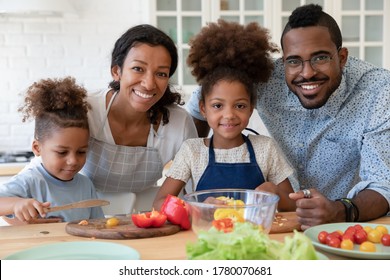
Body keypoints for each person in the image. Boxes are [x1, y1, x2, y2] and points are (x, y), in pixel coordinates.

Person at [186, 4, 390, 229]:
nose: (307, 72)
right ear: (284, 61)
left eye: (320, 58)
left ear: (342, 58)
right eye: (294, 61)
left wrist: (340, 210)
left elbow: (383, 185)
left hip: (344, 224)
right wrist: (195, 161)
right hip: (278, 222)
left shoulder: (378, 91)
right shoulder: (265, 79)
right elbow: (202, 103)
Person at [153, 20, 296, 212]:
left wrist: (274, 192)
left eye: (240, 105)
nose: (229, 115)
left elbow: (292, 205)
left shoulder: (265, 149)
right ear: (203, 109)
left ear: (251, 108)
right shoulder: (192, 151)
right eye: (218, 105)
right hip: (207, 236)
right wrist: (197, 207)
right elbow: (160, 202)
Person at [81, 24, 198, 211]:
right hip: (85, 213)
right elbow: (45, 167)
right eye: (138, 68)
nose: (149, 83)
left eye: (161, 74)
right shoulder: (85, 109)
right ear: (116, 71)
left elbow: (194, 186)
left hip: (147, 215)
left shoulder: (179, 122)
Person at [0, 77, 104, 223]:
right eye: (62, 152)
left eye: (81, 152)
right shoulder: (30, 181)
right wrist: (16, 204)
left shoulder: (86, 185)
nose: (73, 161)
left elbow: (97, 224)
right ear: (37, 148)